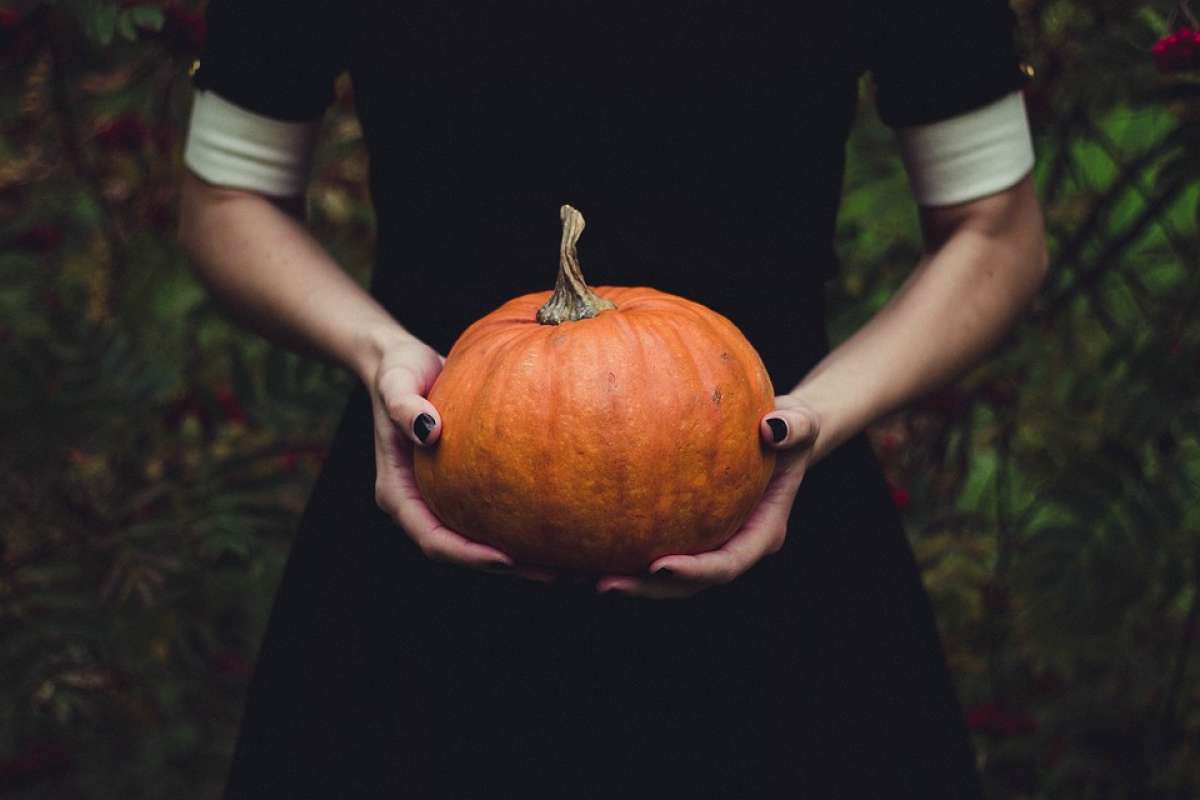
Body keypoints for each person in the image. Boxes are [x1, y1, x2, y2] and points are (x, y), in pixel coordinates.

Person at [177, 0, 1047, 796]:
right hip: (431, 492)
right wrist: (380, 355)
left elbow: (996, 231)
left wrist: (817, 416)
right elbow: (227, 198)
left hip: (774, 503)